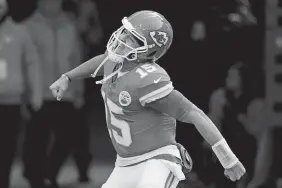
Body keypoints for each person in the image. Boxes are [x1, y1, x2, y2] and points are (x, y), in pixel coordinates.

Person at [49, 10, 246, 188]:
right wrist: (67, 77)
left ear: (149, 51)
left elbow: (193, 113)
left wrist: (228, 160)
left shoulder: (148, 79)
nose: (123, 37)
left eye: (133, 38)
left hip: (157, 160)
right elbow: (102, 60)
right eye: (125, 31)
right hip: (125, 164)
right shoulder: (116, 62)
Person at [21, 0, 84, 187]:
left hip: (66, 91)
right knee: (37, 138)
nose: (52, 4)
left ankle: (50, 171)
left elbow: (76, 58)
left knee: (68, 136)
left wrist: (78, 89)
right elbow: (24, 62)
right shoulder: (29, 26)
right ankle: (36, 176)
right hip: (39, 91)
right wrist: (26, 93)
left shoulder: (69, 26)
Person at [0, 0, 42, 188]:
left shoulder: (18, 32)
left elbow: (32, 63)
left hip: (10, 101)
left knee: (6, 147)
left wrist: (36, 94)